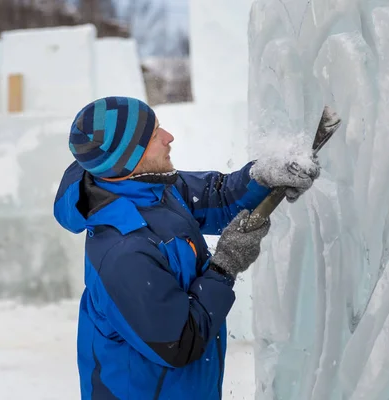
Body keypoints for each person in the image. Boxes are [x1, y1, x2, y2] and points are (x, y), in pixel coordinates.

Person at [53, 96, 320, 399]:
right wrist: (225, 266)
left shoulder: (152, 188)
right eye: (155, 135)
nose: (169, 137)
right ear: (129, 158)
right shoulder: (123, 252)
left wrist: (262, 177)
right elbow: (178, 342)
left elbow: (218, 198)